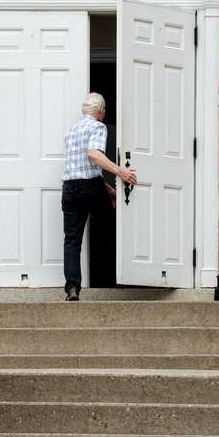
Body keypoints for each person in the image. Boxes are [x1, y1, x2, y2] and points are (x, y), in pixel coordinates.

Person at [61, 93, 137, 301]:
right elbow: (93, 155)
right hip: (90, 187)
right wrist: (119, 171)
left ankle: (72, 288)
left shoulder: (72, 131)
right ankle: (115, 278)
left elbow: (79, 167)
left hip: (70, 187)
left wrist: (106, 186)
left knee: (72, 239)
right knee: (110, 229)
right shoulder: (98, 127)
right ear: (101, 110)